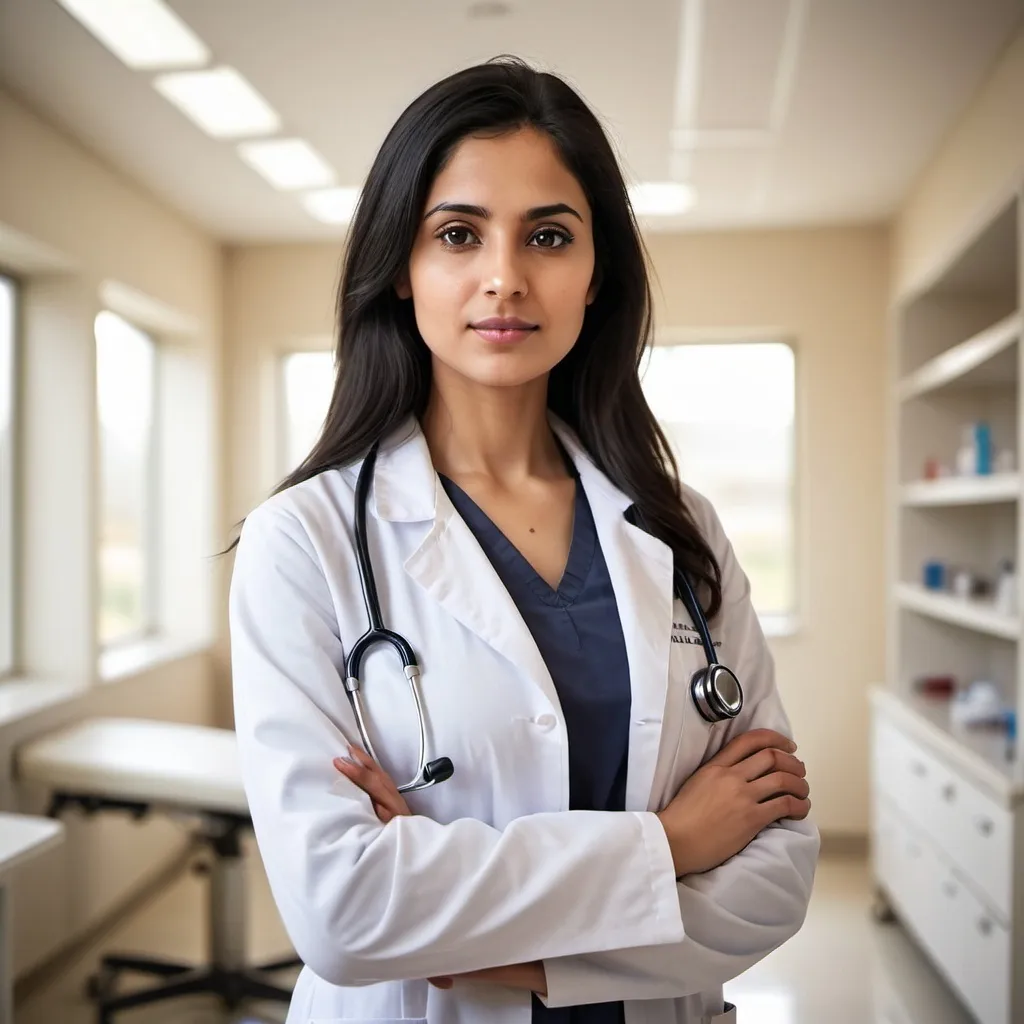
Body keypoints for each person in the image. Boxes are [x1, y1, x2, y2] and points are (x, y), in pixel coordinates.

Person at [229, 55, 819, 1024]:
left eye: (548, 235)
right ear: (401, 270)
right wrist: (670, 842)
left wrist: (530, 961)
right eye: (457, 234)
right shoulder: (305, 541)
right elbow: (344, 909)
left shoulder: (679, 529)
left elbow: (778, 870)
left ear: (596, 278)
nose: (504, 277)